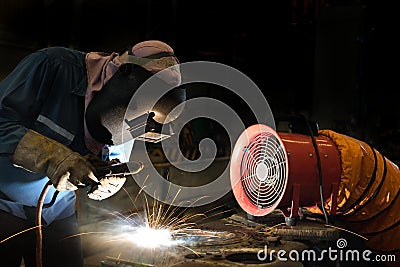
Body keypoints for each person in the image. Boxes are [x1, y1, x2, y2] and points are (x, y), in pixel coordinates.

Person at [0, 40, 184, 267]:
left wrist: (107, 179)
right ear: (124, 76)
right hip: (3, 201)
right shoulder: (53, 65)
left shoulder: (135, 114)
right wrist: (53, 156)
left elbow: (113, 158)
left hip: (57, 210)